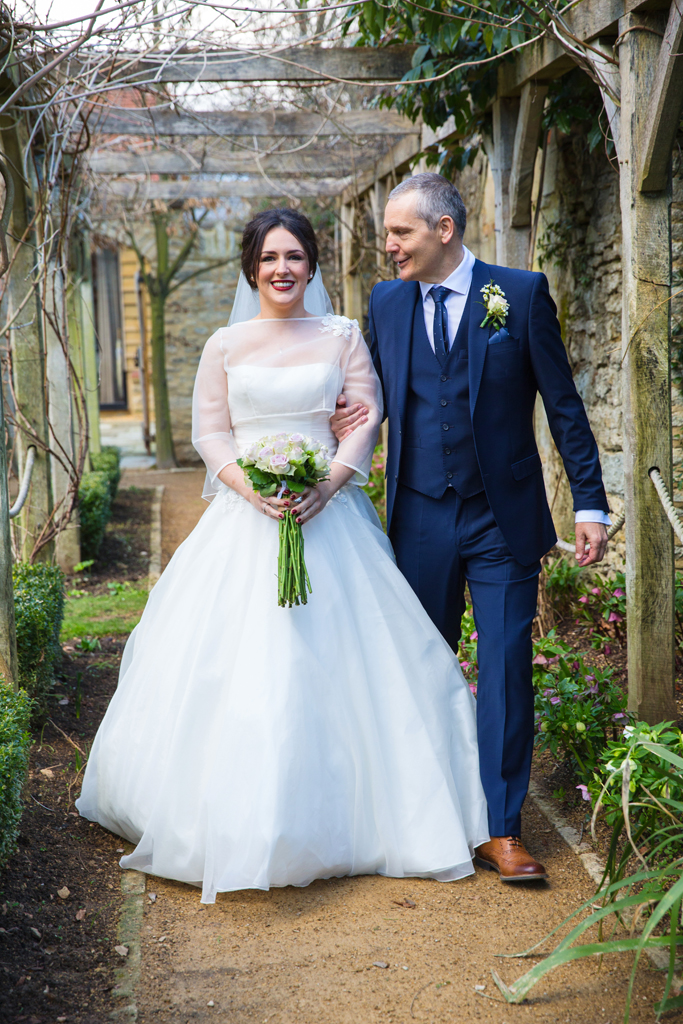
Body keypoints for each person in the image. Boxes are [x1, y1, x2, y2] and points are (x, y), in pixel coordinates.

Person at [76, 207, 489, 904]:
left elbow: (364, 417)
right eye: (269, 257)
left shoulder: (341, 335)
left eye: (294, 256)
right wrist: (253, 491)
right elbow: (210, 433)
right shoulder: (224, 344)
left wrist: (325, 485)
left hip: (331, 517)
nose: (282, 269)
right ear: (251, 266)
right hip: (245, 518)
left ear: (311, 264)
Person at [332, 173, 610, 883]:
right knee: (422, 666)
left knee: (507, 671)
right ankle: (428, 815)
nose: (388, 245)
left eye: (400, 233)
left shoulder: (515, 295)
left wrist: (588, 504)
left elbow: (563, 404)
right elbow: (364, 403)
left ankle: (501, 829)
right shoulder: (387, 302)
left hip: (501, 518)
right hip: (418, 514)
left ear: (443, 230)